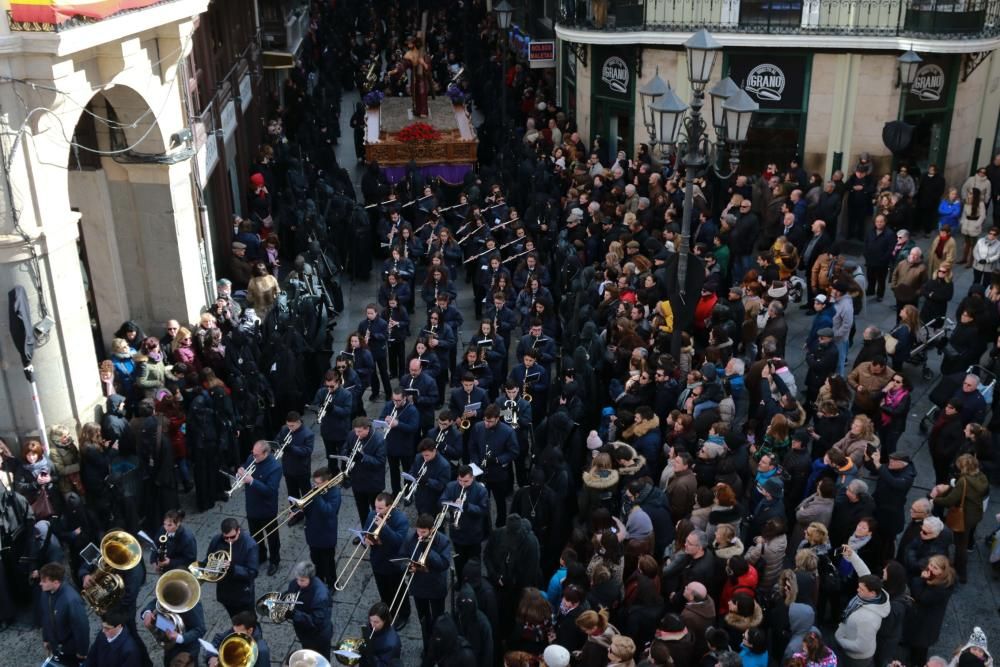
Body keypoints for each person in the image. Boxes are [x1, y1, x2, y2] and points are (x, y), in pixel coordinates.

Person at [931, 453, 989, 582]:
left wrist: (934, 499)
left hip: (963, 518)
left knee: (960, 546)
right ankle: (959, 567)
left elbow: (950, 500)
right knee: (964, 541)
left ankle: (961, 573)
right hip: (975, 514)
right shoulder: (981, 477)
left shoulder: (964, 481)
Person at [401, 512, 452, 654]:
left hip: (436, 587)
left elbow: (444, 564)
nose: (420, 534)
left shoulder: (442, 541)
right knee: (423, 618)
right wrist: (407, 567)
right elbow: (402, 556)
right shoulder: (411, 538)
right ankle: (427, 646)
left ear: (431, 530)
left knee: (438, 619)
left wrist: (428, 550)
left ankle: (439, 646)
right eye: (418, 530)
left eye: (423, 532)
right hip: (418, 586)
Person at [366, 492, 412, 629]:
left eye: (380, 508)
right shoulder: (371, 515)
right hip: (378, 560)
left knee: (399, 590)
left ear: (390, 507)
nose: (376, 511)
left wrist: (385, 527)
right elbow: (366, 530)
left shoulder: (401, 519)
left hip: (394, 562)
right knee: (383, 590)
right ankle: (387, 612)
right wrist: (366, 539)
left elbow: (398, 541)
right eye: (375, 507)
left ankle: (404, 614)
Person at [468, 404, 519, 526]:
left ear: (497, 419)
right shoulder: (478, 427)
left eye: (490, 421)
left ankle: (500, 525)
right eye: (485, 420)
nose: (486, 424)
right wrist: (476, 461)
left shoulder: (508, 431)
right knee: (481, 502)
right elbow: (472, 446)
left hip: (498, 474)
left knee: (500, 502)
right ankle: (485, 527)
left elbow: (514, 452)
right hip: (480, 472)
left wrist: (497, 460)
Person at [197, 517, 259, 618]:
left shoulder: (250, 545)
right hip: (225, 591)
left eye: (232, 537)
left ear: (238, 530)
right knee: (234, 618)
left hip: (242, 593)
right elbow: (209, 558)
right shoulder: (217, 540)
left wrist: (233, 568)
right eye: (226, 537)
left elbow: (252, 572)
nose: (229, 540)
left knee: (249, 619)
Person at [903, 555, 957, 666]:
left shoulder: (941, 588)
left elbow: (921, 597)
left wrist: (921, 579)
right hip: (923, 620)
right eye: (931, 565)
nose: (930, 568)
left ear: (942, 572)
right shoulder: (938, 580)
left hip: (925, 624)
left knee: (920, 650)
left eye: (935, 568)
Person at [240, 440, 283, 576]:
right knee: (255, 536)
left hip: (267, 509)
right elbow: (246, 467)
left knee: (272, 538)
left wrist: (252, 481)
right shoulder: (251, 457)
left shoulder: (275, 467)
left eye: (257, 455)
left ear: (266, 453)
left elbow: (270, 491)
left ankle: (275, 560)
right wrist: (240, 473)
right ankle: (261, 555)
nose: (254, 457)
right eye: (253, 454)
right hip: (252, 506)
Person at [441, 464, 490, 578]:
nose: (463, 484)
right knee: (458, 560)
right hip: (457, 533)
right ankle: (460, 580)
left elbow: (483, 510)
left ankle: (474, 582)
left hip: (474, 534)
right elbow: (442, 501)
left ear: (472, 478)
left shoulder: (481, 490)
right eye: (460, 480)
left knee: (474, 562)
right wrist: (453, 505)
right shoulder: (451, 486)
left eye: (466, 481)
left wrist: (467, 506)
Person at [39, 562, 91, 667]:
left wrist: (82, 651)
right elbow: (46, 617)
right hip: (56, 645)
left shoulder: (72, 600)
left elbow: (81, 628)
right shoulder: (45, 593)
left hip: (70, 650)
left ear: (56, 582)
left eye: (44, 581)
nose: (40, 583)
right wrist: (46, 638)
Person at [833, 573, 890, 667]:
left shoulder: (867, 619)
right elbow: (864, 571)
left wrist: (840, 640)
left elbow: (861, 647)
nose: (857, 590)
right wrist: (853, 557)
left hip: (856, 658)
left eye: (862, 589)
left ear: (872, 593)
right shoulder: (875, 596)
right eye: (859, 587)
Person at [302, 467, 342, 588]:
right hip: (313, 532)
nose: (315, 485)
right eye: (314, 482)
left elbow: (328, 512)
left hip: (326, 535)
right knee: (316, 561)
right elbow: (308, 509)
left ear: (327, 482)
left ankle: (332, 584)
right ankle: (319, 582)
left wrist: (316, 496)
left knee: (328, 563)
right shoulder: (316, 490)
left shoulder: (334, 493)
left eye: (318, 483)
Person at [286, 561, 333, 660]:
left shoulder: (320, 595)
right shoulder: (296, 583)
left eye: (302, 580)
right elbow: (289, 594)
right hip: (304, 632)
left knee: (321, 659)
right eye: (297, 579)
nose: (298, 583)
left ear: (310, 578)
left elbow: (317, 621)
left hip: (318, 636)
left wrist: (294, 614)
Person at [275, 411, 314, 526]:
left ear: (298, 422)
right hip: (288, 468)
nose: (289, 428)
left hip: (302, 470)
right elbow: (277, 439)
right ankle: (296, 514)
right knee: (292, 494)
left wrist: (291, 448)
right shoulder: (284, 429)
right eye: (288, 425)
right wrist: (279, 444)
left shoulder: (308, 434)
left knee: (306, 494)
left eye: (292, 426)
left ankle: (310, 515)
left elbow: (307, 451)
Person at [347, 416, 388, 525]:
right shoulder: (352, 434)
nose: (357, 434)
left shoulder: (379, 440)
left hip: (372, 482)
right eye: (355, 431)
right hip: (357, 480)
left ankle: (376, 532)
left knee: (376, 511)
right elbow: (345, 448)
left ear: (367, 428)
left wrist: (363, 457)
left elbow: (380, 462)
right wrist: (346, 456)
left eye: (359, 431)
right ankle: (365, 532)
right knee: (362, 509)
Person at [205, 611, 271, 667]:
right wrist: (212, 657)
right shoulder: (237, 630)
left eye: (238, 633)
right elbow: (218, 638)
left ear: (250, 630)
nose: (234, 635)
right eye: (234, 630)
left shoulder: (261, 650)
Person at [408, 437, 451, 517]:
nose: (425, 458)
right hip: (420, 495)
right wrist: (413, 476)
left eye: (427, 455)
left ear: (434, 451)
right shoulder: (418, 457)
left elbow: (442, 485)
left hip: (433, 499)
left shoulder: (444, 465)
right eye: (423, 455)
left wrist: (427, 480)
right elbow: (412, 470)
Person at [152, 509, 197, 574]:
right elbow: (155, 545)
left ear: (178, 523)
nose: (166, 528)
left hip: (181, 566)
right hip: (167, 562)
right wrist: (153, 561)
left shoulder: (187, 538)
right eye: (164, 524)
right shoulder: (163, 529)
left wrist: (170, 562)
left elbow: (190, 560)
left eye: (170, 525)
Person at [361, 601, 403, 667]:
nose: (372, 624)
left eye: (376, 622)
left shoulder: (392, 644)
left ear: (385, 621)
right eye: (370, 620)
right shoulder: (371, 625)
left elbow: (384, 665)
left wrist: (369, 654)